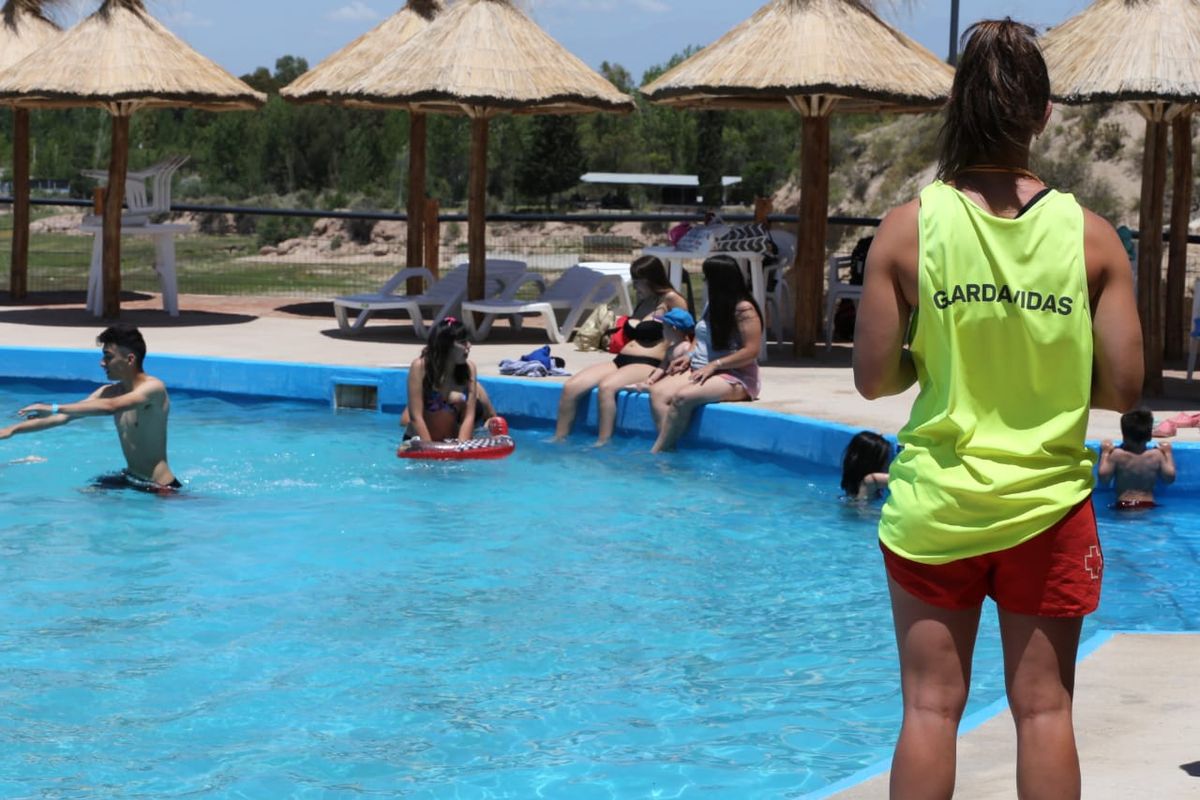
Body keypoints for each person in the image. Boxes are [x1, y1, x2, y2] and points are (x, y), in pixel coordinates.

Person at [852, 20, 1143, 800]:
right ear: (1044, 116)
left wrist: (940, 355)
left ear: (959, 109)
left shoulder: (909, 230)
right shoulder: (1092, 239)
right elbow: (1123, 387)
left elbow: (874, 379)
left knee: (929, 709)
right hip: (1047, 507)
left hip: (938, 505)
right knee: (1045, 710)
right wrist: (1042, 373)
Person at [0, 325, 180, 493]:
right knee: (83, 496)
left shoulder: (154, 389)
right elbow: (63, 417)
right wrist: (12, 430)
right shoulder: (109, 391)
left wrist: (54, 407)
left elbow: (111, 407)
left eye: (108, 356)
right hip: (130, 478)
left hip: (160, 488)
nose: (102, 363)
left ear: (130, 359)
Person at [553, 255, 687, 443]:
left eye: (638, 281)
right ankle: (559, 440)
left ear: (651, 279)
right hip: (621, 360)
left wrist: (673, 363)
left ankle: (603, 443)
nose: (635, 286)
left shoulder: (672, 299)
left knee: (607, 387)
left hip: (648, 362)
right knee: (571, 387)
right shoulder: (644, 300)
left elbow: (688, 332)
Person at [648, 255, 763, 453]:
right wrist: (689, 356)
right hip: (702, 368)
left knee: (682, 398)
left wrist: (715, 365)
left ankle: (658, 453)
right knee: (657, 393)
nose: (704, 281)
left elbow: (751, 351)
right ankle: (669, 448)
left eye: (707, 277)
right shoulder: (714, 303)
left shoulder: (744, 309)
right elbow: (699, 337)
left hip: (735, 375)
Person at [400, 316, 497, 444]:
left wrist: (462, 447)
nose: (469, 345)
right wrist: (429, 448)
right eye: (462, 342)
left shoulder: (469, 369)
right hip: (421, 442)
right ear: (445, 345)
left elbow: (469, 416)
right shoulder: (420, 367)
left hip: (451, 443)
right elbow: (416, 417)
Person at [1098, 409, 1176, 509]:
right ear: (1149, 437)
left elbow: (1104, 478)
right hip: (1148, 505)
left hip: (1124, 505)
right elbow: (1169, 478)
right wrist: (1168, 453)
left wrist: (1105, 452)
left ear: (1124, 437)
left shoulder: (1117, 455)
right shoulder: (1156, 455)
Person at [840, 431, 892, 501]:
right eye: (886, 458)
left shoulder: (854, 486)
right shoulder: (871, 481)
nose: (890, 462)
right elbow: (903, 479)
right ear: (873, 464)